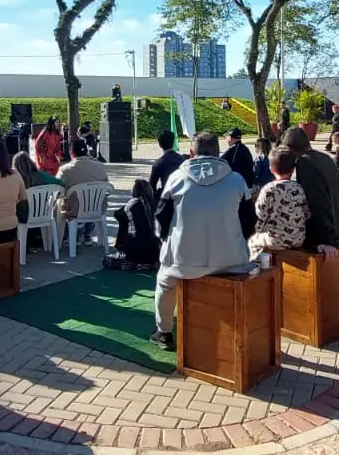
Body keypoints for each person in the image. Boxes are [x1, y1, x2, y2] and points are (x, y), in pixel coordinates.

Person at [149, 133, 256, 351]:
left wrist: (168, 242)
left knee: (165, 282)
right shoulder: (236, 180)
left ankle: (164, 332)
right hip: (232, 261)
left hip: (183, 262)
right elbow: (249, 221)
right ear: (218, 153)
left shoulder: (176, 178)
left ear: (191, 153)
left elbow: (160, 218)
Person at [282, 127, 339, 251]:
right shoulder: (325, 158)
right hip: (338, 224)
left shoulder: (305, 163)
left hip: (324, 234)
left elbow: (317, 202)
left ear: (290, 148)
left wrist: (324, 240)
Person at [248, 148, 316, 256]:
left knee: (252, 242)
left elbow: (260, 216)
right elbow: (307, 213)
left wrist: (257, 232)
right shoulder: (299, 188)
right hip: (298, 239)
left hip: (275, 241)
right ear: (293, 170)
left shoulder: (268, 189)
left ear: (271, 169)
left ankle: (260, 264)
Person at [57, 137, 109, 241]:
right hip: (97, 208)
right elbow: (107, 186)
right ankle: (88, 233)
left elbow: (58, 191)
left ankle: (70, 235)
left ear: (71, 153)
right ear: (86, 151)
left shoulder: (64, 170)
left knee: (60, 204)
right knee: (91, 200)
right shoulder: (100, 166)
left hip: (75, 210)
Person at [109, 178, 161, 270]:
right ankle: (146, 262)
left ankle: (131, 260)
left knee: (125, 222)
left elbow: (117, 214)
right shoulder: (156, 203)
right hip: (154, 248)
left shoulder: (132, 204)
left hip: (134, 247)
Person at [149, 132, 186, 199]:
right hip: (183, 195)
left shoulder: (158, 163)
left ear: (160, 144)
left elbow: (151, 186)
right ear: (173, 142)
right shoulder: (183, 160)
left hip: (167, 196)